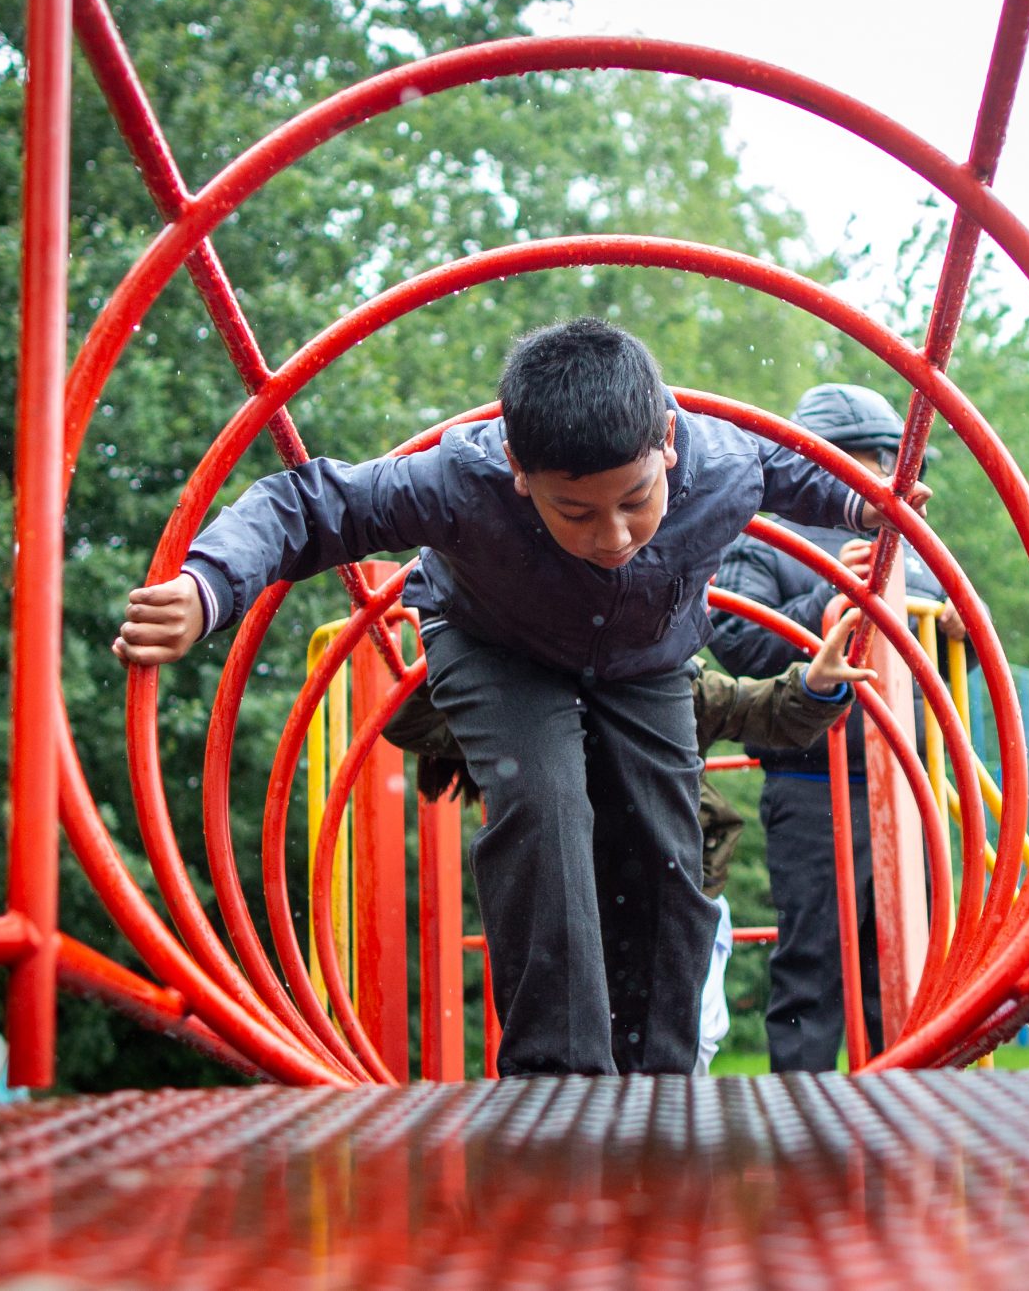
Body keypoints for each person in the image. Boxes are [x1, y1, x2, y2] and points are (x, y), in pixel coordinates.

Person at [115, 319, 925, 1077]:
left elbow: (797, 470)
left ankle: (661, 1080)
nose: (612, 536)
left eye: (635, 501)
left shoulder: (720, 464)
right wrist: (208, 586)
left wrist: (864, 500)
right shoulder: (457, 481)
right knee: (545, 807)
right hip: (497, 647)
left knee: (669, 844)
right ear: (514, 465)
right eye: (575, 512)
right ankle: (558, 1079)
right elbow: (312, 504)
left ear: (668, 445)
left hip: (644, 661)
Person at [386, 607, 880, 1073]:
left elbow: (757, 708)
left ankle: (660, 1134)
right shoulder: (522, 703)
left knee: (686, 1040)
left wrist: (815, 685)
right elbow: (409, 720)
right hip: (580, 901)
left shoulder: (663, 683)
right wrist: (471, 646)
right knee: (580, 1033)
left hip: (674, 890)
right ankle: (588, 1130)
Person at [705, 383, 948, 1073]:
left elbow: (937, 618)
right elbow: (739, 641)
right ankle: (801, 1128)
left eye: (892, 463)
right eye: (867, 461)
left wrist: (952, 620)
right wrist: (826, 594)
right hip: (817, 782)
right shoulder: (763, 534)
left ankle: (909, 1106)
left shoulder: (915, 545)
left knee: (908, 964)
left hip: (909, 784)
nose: (883, 481)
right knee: (815, 962)